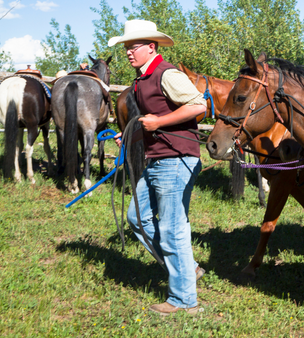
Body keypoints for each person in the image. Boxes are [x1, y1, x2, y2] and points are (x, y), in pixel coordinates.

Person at [108, 19, 208, 316]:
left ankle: (184, 300)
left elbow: (198, 106)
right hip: (158, 160)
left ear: (151, 47)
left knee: (172, 229)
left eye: (133, 46)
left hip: (176, 160)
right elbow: (153, 124)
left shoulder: (167, 74)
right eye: (126, 47)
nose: (128, 52)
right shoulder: (142, 80)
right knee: (136, 218)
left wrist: (158, 122)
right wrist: (131, 135)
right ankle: (187, 269)